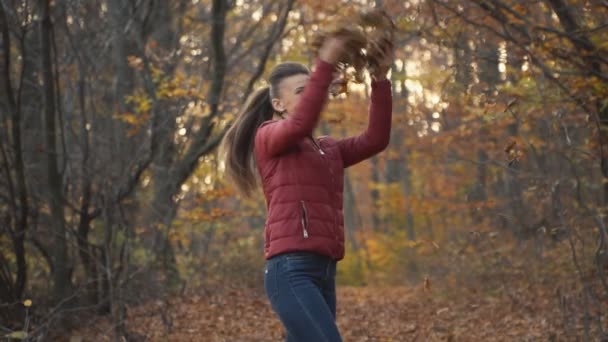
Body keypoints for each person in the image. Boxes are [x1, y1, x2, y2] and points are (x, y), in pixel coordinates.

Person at [220, 35, 393, 342]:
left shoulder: (328, 150)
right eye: (300, 91)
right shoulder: (268, 136)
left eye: (310, 90)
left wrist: (380, 78)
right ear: (278, 104)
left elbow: (375, 139)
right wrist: (325, 63)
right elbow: (300, 124)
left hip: (325, 271)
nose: (309, 96)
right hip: (290, 271)